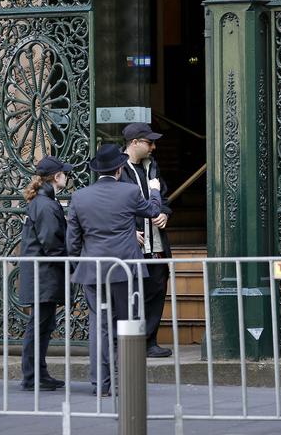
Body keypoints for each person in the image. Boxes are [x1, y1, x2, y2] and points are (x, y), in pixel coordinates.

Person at [66, 144, 162, 396]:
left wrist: (79, 266)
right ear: (119, 169)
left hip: (93, 269)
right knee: (127, 325)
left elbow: (73, 241)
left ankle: (101, 384)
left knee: (100, 326)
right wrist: (155, 191)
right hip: (125, 268)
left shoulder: (79, 197)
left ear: (98, 171)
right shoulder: (129, 192)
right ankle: (125, 381)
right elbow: (153, 211)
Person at [19, 156, 73, 392]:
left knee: (42, 325)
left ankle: (37, 374)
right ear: (56, 177)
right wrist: (69, 263)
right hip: (44, 274)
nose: (67, 176)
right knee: (39, 326)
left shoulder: (44, 202)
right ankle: (32, 376)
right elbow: (51, 243)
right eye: (64, 173)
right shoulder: (46, 205)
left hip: (42, 274)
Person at [121, 122, 173, 358]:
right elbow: (111, 206)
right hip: (131, 247)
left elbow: (162, 196)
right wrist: (127, 230)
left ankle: (149, 342)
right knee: (132, 295)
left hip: (156, 244)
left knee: (156, 290)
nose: (153, 147)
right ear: (134, 143)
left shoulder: (153, 166)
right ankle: (132, 343)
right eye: (149, 142)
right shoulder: (118, 169)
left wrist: (163, 212)